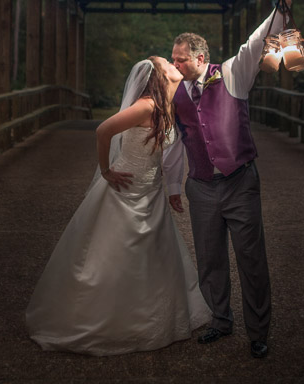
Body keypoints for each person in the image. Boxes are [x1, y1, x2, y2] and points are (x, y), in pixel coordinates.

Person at [25, 57, 211, 356]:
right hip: (127, 189)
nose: (172, 62)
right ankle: (108, 320)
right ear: (158, 76)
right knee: (117, 254)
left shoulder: (166, 107)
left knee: (152, 256)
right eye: (167, 62)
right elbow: (103, 131)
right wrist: (107, 170)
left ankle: (152, 316)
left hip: (151, 192)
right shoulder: (147, 106)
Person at [168, 0, 291, 359]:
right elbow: (176, 141)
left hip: (240, 182)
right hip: (201, 187)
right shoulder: (175, 92)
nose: (175, 65)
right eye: (172, 59)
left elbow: (254, 43)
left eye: (180, 59)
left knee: (251, 258)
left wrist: (279, 12)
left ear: (200, 58)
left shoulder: (233, 73)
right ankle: (220, 321)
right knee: (210, 259)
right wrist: (175, 185)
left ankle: (258, 332)